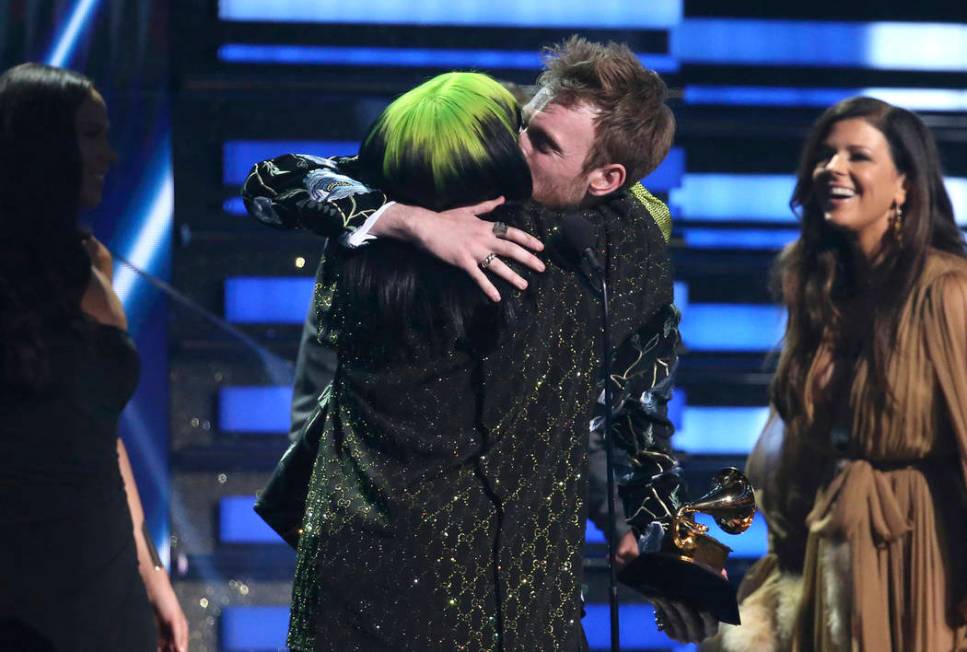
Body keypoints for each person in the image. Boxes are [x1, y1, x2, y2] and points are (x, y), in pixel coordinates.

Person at [245, 63, 685, 650]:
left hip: (528, 596)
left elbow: (637, 414)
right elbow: (272, 181)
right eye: (522, 125)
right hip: (371, 582)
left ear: (605, 178)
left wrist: (675, 550)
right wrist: (410, 221)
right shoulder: (431, 194)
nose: (514, 145)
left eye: (543, 144)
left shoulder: (628, 248)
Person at [703, 97, 967, 651]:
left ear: (905, 185)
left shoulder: (947, 291)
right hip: (823, 559)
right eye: (824, 155)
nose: (832, 169)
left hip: (921, 562)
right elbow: (788, 449)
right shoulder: (819, 290)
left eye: (857, 156)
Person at [0, 63, 188, 652]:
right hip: (20, 584)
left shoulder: (97, 268)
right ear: (38, 143)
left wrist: (153, 573)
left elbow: (105, 439)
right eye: (89, 135)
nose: (109, 154)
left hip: (106, 583)